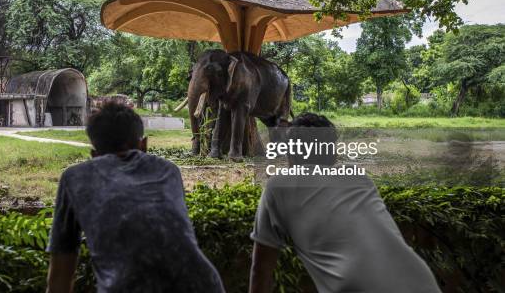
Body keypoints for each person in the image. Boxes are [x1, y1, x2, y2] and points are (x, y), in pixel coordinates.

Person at [249, 113, 441, 293]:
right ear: (333, 154)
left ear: (291, 154)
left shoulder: (279, 186)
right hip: (421, 281)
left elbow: (261, 271)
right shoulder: (359, 177)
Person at [46, 102, 225, 293]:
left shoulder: (75, 178)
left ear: (94, 155)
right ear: (144, 145)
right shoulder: (168, 170)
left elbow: (60, 275)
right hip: (204, 284)